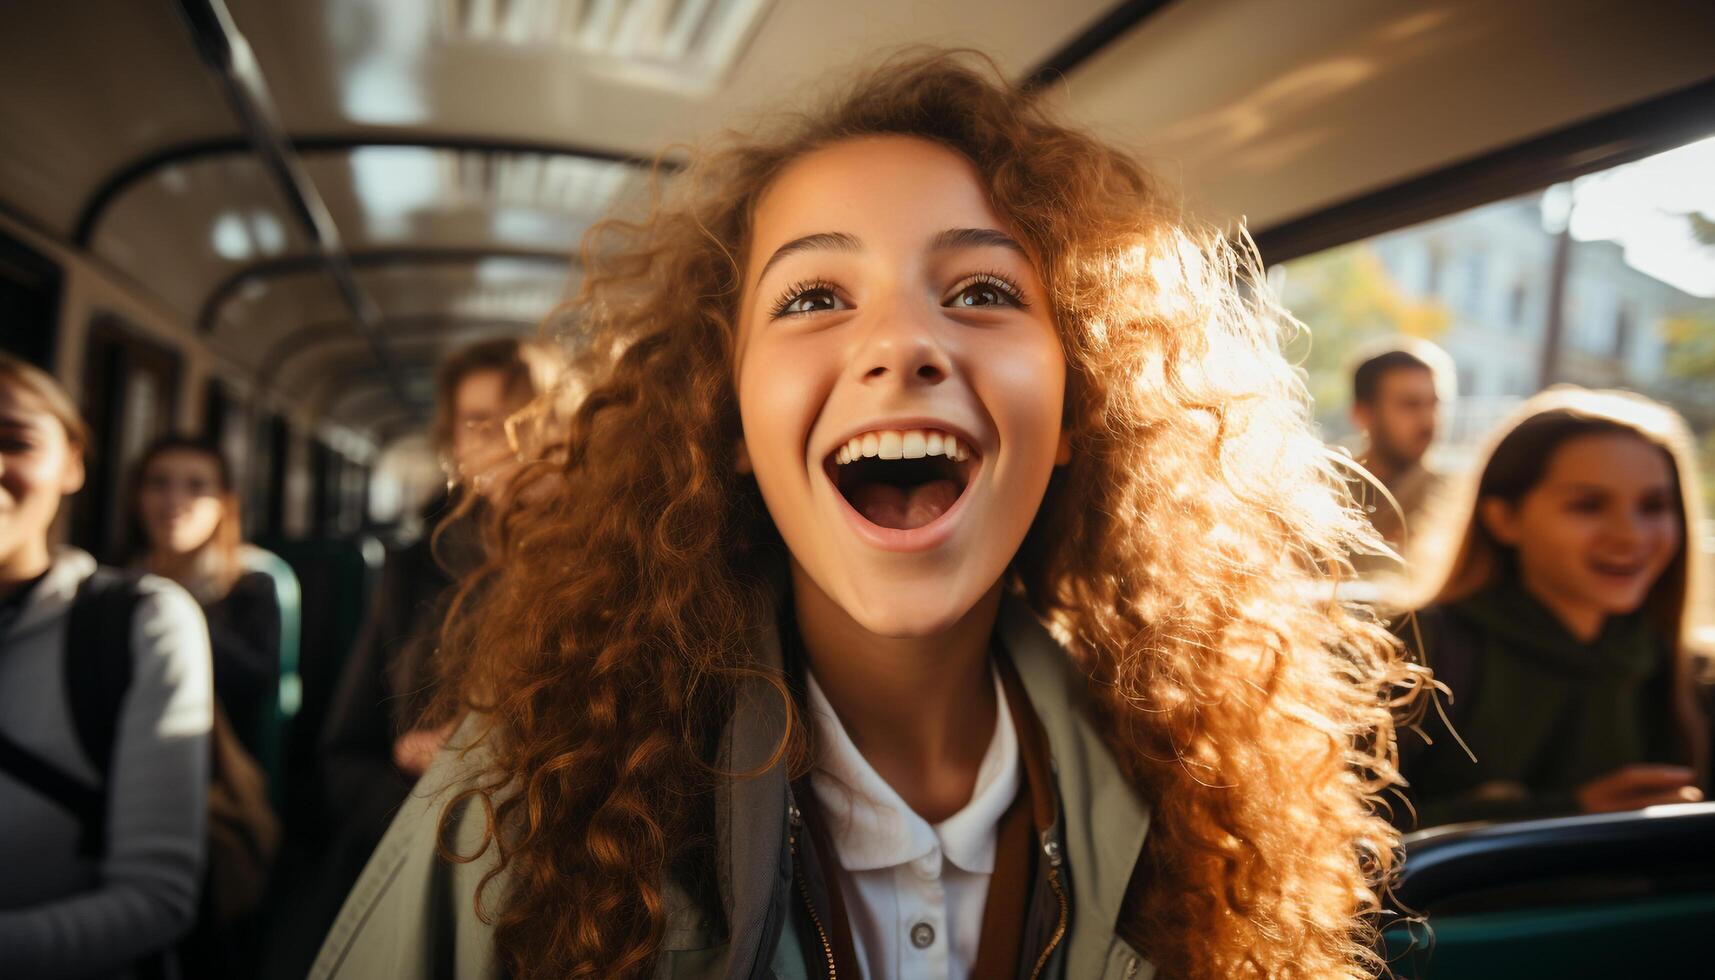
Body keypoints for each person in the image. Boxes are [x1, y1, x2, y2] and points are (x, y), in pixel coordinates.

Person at [311, 53, 1413, 980]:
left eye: (982, 291)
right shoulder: (519, 808)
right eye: (813, 297)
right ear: (728, 417)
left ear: (1078, 405)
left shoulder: (1198, 807)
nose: (903, 344)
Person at [1398, 387, 1710, 828]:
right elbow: (1341, 840)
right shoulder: (1413, 655)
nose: (1631, 535)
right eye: (1588, 505)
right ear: (1504, 518)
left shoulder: (1695, 676)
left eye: (1655, 506)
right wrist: (1564, 812)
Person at [0, 353, 213, 977]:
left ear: (72, 464)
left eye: (16, 442)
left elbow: (157, 899)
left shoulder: (138, 622)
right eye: (159, 483)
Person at [127, 436, 281, 760]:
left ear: (224, 503)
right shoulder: (118, 580)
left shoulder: (253, 585)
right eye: (159, 483)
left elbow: (254, 687)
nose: (174, 500)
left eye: (196, 487)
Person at [1349, 338, 1455, 550]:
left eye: (1434, 404)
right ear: (1363, 414)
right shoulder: (1325, 498)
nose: (1428, 420)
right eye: (1410, 404)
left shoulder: (1453, 502)